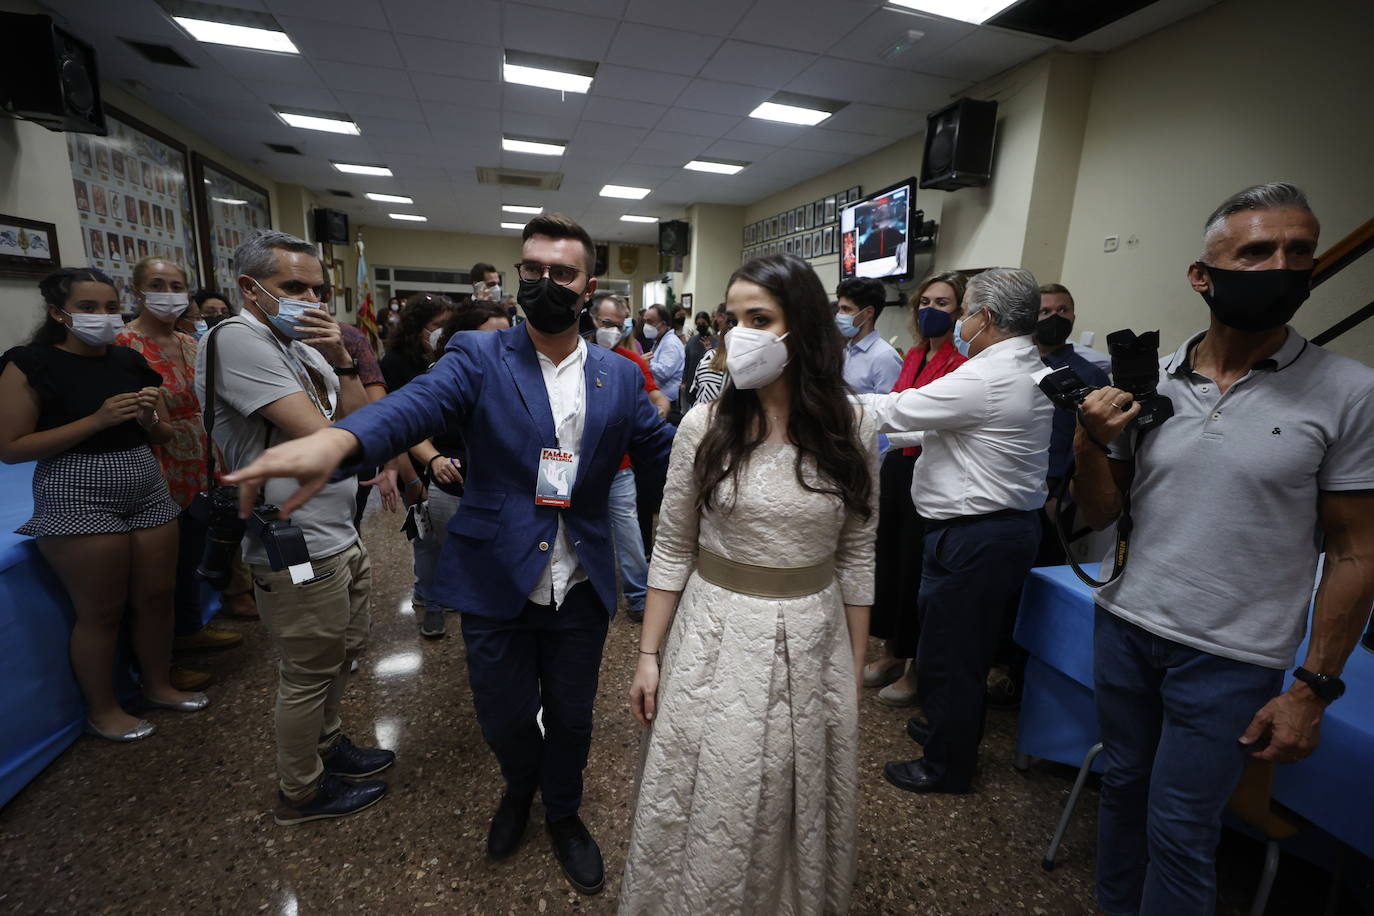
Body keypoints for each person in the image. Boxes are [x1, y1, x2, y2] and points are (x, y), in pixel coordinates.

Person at [221, 214, 675, 895]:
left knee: (575, 716)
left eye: (564, 273)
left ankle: (564, 812)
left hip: (579, 580)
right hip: (497, 573)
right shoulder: (479, 353)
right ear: (521, 273)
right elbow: (414, 405)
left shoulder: (619, 373)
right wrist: (344, 442)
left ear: (589, 286)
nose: (547, 282)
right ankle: (520, 788)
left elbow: (668, 459)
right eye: (535, 270)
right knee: (502, 714)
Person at [1071, 182, 1374, 916]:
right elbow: (1098, 513)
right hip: (1127, 627)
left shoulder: (1347, 392)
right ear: (1202, 277)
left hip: (1231, 658)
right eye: (1257, 251)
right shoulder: (1150, 380)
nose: (1283, 266)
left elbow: (1357, 551)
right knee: (1121, 798)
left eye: (1299, 251)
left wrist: (1312, 688)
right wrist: (1088, 439)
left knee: (1180, 830)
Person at [622, 254, 878, 914]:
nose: (739, 335)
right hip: (715, 630)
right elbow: (673, 546)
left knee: (795, 788)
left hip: (813, 629)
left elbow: (857, 556)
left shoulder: (855, 426)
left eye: (758, 319)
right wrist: (648, 655)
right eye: (732, 319)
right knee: (720, 789)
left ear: (805, 329)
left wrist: (850, 673)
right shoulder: (704, 426)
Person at [196, 230, 393, 826]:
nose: (310, 300)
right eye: (294, 287)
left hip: (338, 529)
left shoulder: (305, 346)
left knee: (337, 655)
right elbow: (323, 435)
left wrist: (341, 359)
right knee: (308, 669)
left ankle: (328, 746)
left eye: (318, 289)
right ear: (250, 288)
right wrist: (354, 431)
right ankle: (301, 790)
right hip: (292, 538)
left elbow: (366, 425)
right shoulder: (237, 339)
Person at [858, 267, 1052, 795]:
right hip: (985, 531)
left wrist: (808, 402)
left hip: (977, 536)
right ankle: (947, 728)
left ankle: (947, 764)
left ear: (985, 317)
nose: (958, 319)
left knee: (954, 654)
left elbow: (894, 407)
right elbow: (934, 424)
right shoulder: (1013, 365)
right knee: (952, 644)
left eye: (963, 309)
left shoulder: (987, 375)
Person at [0, 268, 207, 741]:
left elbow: (165, 432)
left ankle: (159, 684)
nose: (103, 317)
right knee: (101, 610)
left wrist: (150, 417)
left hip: (145, 482)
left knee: (157, 598)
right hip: (78, 489)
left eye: (111, 308)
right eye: (89, 308)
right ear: (58, 313)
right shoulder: (30, 363)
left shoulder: (127, 362)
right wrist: (96, 420)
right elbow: (10, 447)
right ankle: (103, 708)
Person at [117, 257, 243, 689]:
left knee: (191, 551)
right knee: (159, 570)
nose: (168, 292)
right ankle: (160, 662)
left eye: (176, 284)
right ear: (136, 291)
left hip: (203, 458)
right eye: (157, 284)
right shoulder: (122, 344)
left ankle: (190, 629)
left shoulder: (192, 342)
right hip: (154, 460)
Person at [863, 272, 968, 707]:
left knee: (916, 571)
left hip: (931, 471)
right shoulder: (915, 355)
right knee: (890, 563)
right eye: (925, 301)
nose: (931, 310)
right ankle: (892, 652)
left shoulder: (962, 365)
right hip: (898, 470)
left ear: (960, 311)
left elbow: (928, 421)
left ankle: (915, 668)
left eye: (942, 303)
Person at [379, 293, 459, 637]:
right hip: (412, 464)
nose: (443, 332)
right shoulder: (396, 363)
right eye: (437, 326)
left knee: (450, 536)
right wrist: (412, 480)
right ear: (417, 328)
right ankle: (429, 602)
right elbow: (396, 425)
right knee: (425, 538)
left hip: (449, 462)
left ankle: (445, 591)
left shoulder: (451, 358)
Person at [587, 291, 668, 624]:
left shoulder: (629, 362)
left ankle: (637, 596)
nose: (612, 331)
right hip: (577, 468)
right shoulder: (576, 356)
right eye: (607, 323)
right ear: (591, 320)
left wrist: (659, 409)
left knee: (630, 535)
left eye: (619, 326)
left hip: (619, 468)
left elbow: (654, 394)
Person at [835, 277, 903, 395]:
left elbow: (888, 409)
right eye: (839, 308)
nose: (839, 315)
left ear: (869, 313)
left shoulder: (885, 357)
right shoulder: (846, 350)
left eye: (846, 309)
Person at [644, 304, 685, 406]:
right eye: (645, 321)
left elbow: (665, 372)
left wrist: (647, 365)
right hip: (658, 400)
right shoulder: (659, 340)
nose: (646, 325)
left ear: (663, 324)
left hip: (668, 403)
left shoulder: (671, 343)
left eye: (650, 322)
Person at [680, 310, 713, 410]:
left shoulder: (715, 340)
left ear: (708, 323)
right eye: (698, 324)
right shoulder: (692, 340)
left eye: (703, 323)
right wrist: (684, 381)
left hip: (708, 383)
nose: (700, 326)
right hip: (691, 382)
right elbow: (687, 362)